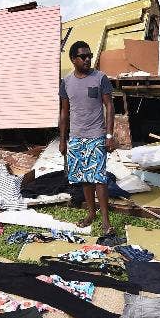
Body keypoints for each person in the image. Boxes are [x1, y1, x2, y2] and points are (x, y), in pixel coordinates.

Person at [59, 40, 115, 235]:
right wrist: (63, 140)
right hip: (76, 137)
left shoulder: (101, 78)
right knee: (85, 179)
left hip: (97, 136)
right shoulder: (66, 82)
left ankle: (106, 221)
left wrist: (109, 135)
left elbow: (109, 106)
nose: (88, 59)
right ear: (73, 59)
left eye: (89, 56)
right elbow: (64, 113)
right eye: (83, 56)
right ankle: (92, 214)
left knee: (100, 178)